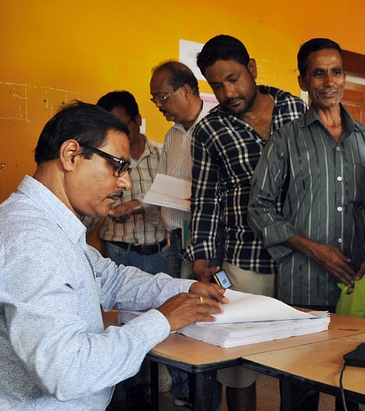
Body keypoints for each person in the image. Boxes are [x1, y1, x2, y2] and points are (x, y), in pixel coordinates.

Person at [0, 101, 228, 411]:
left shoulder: (46, 223)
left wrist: (183, 290)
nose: (126, 183)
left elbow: (109, 278)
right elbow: (68, 370)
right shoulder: (35, 241)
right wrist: (160, 321)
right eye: (116, 166)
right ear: (71, 155)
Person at [248, 38, 365, 411]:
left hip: (355, 286)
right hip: (302, 286)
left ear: (344, 76)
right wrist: (313, 249)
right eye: (318, 73)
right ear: (303, 80)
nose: (329, 81)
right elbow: (258, 208)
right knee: (300, 390)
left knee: (351, 386)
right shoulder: (285, 140)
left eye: (336, 71)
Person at [182, 35, 306, 411]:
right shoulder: (209, 130)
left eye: (233, 78)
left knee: (302, 358)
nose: (227, 92)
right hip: (245, 259)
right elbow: (204, 200)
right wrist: (203, 258)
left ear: (251, 68)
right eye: (216, 85)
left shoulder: (295, 109)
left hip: (300, 256)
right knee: (238, 366)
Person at [92, 90, 169, 410]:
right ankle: (133, 392)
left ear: (137, 120)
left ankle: (167, 389)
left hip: (157, 251)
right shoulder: (102, 158)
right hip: (118, 251)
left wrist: (138, 207)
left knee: (166, 324)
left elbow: (174, 200)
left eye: (122, 124)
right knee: (125, 326)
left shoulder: (163, 155)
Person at [149, 60, 217, 408]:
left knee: (205, 320)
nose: (158, 105)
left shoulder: (218, 126)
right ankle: (183, 394)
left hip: (206, 243)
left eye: (162, 96)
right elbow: (163, 185)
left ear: (187, 91)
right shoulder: (172, 135)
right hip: (175, 240)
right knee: (178, 319)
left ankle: (207, 398)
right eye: (154, 100)